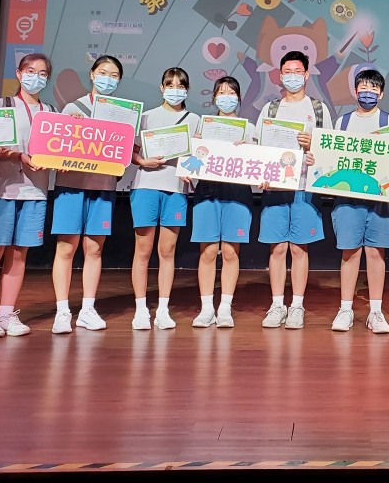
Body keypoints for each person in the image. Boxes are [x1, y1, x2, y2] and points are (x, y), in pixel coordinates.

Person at [0, 53, 57, 340]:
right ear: (19, 74)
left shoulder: (52, 112)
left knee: (20, 253)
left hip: (36, 191)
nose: (36, 77)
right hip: (2, 189)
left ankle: (7, 313)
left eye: (43, 73)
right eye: (30, 71)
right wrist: (18, 155)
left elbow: (60, 147)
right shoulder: (1, 105)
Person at [254, 51, 333, 330]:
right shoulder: (270, 109)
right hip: (276, 187)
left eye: (297, 72)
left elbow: (329, 150)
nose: (292, 77)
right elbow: (259, 148)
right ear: (280, 75)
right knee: (277, 249)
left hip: (304, 187)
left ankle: (297, 305)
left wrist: (314, 148)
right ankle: (277, 305)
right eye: (287, 72)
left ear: (306, 75)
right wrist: (261, 174)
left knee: (299, 248)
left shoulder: (318, 109)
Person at [50, 55, 124, 334]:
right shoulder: (73, 108)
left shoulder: (121, 113)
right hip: (71, 186)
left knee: (94, 249)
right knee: (66, 248)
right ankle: (62, 311)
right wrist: (73, 128)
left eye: (114, 75)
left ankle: (87, 309)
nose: (108, 79)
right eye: (103, 73)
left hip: (103, 187)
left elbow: (124, 151)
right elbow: (56, 146)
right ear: (92, 75)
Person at [330, 69, 389, 334]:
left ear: (381, 94)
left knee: (376, 252)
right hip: (348, 197)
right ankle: (345, 309)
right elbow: (331, 156)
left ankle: (376, 312)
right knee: (350, 252)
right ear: (355, 91)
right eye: (363, 88)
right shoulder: (342, 121)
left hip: (379, 198)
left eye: (373, 88)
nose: (367, 92)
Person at [129, 68, 197, 331]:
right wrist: (142, 161)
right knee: (143, 250)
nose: (175, 90)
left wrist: (193, 170)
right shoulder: (147, 117)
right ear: (162, 88)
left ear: (187, 90)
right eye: (170, 85)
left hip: (176, 189)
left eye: (180, 86)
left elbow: (200, 155)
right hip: (146, 186)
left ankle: (163, 309)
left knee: (167, 251)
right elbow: (132, 150)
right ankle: (141, 309)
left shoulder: (195, 120)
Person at [187, 77, 256, 328]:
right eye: (221, 92)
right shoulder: (202, 126)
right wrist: (195, 145)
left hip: (238, 192)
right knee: (207, 251)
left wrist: (249, 147)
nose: (226, 97)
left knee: (230, 251)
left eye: (231, 93)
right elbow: (190, 160)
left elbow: (260, 161)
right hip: (208, 191)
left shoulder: (250, 129)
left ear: (239, 98)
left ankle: (225, 307)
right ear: (214, 97)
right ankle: (206, 308)